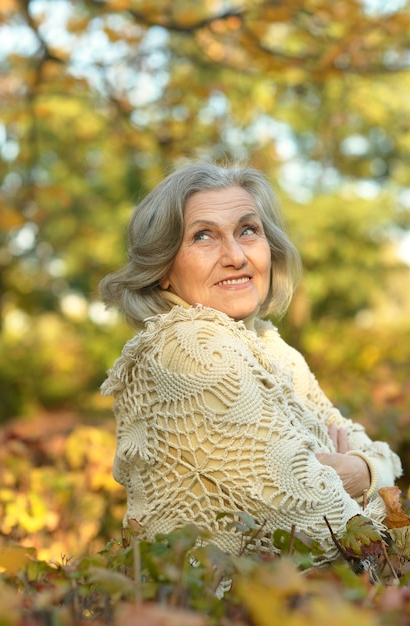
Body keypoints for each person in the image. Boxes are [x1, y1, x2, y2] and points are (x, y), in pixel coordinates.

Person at [100, 161, 402, 562]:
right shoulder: (188, 347)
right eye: (203, 236)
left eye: (248, 230)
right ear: (163, 271)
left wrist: (361, 470)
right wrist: (361, 484)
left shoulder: (270, 347)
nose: (236, 256)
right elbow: (311, 522)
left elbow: (378, 459)